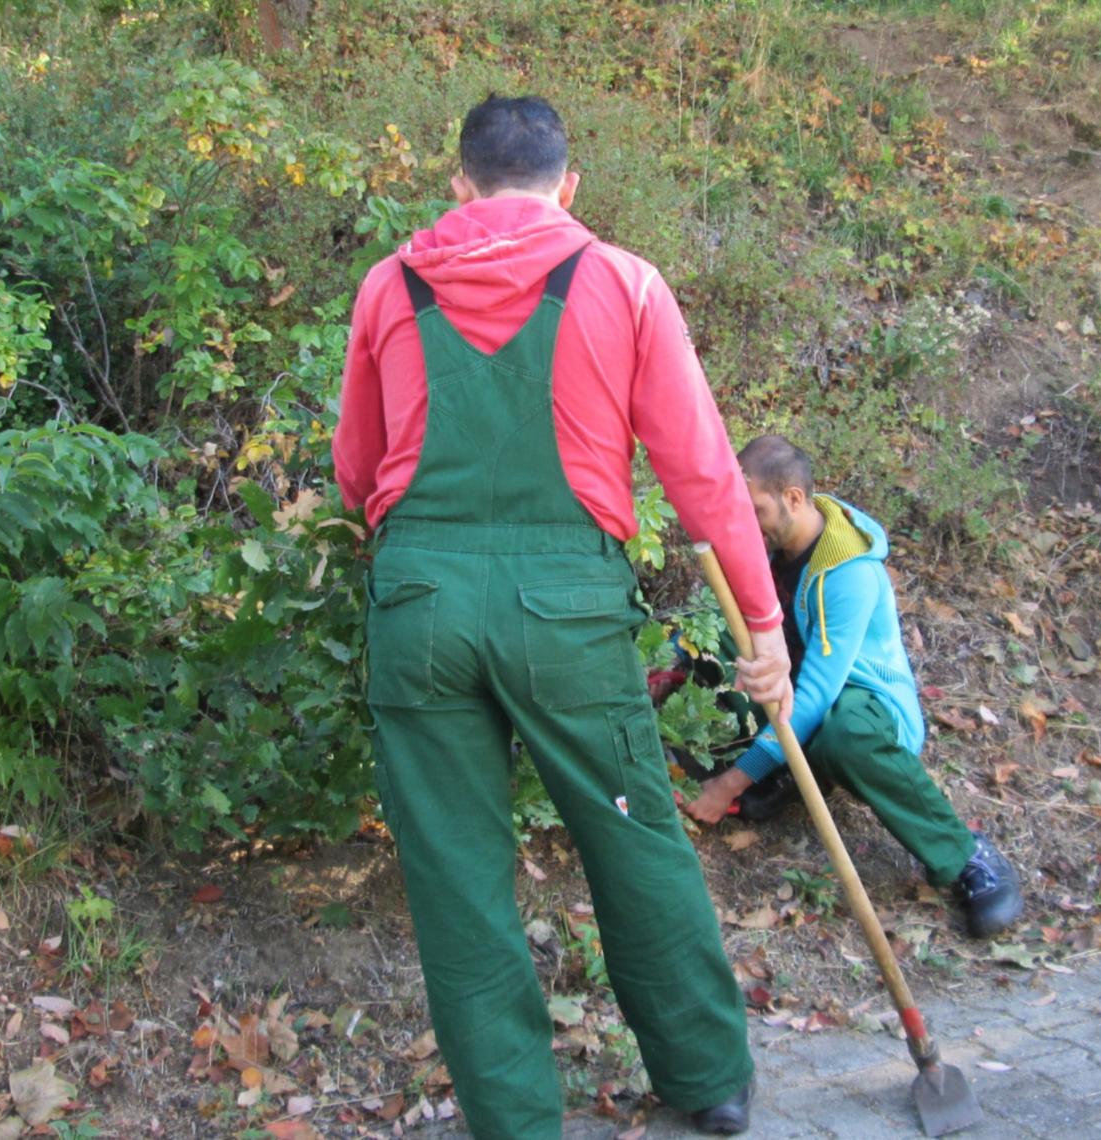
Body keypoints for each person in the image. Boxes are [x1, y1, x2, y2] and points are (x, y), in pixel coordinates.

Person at [334, 96, 791, 1138]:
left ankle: (514, 1120)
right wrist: (762, 623)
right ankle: (708, 1078)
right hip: (568, 616)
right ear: (568, 185)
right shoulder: (623, 283)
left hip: (423, 604)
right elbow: (703, 475)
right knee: (634, 838)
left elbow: (358, 467)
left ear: (459, 184)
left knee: (457, 874)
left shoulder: (389, 286)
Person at [683, 434, 1025, 939]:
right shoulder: (772, 546)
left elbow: (817, 694)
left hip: (863, 712)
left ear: (793, 498)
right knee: (706, 652)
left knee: (843, 735)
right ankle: (789, 772)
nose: (748, 522)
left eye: (755, 510)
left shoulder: (849, 574)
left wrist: (730, 783)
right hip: (799, 693)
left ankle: (964, 854)